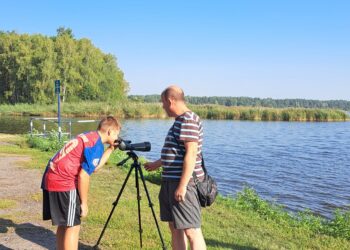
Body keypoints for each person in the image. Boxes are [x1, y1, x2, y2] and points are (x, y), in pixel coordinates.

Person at [41, 116, 121, 250]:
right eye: (117, 134)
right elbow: (84, 176)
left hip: (51, 177)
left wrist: (111, 149)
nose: (118, 137)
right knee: (73, 226)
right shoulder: (96, 145)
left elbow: (93, 167)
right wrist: (84, 203)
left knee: (64, 224)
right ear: (109, 132)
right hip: (64, 182)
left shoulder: (89, 136)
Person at [145, 85, 207, 250]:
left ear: (170, 100)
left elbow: (191, 153)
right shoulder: (179, 121)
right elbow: (176, 152)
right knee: (174, 227)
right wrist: (157, 164)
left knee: (191, 230)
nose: (163, 106)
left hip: (182, 183)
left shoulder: (188, 119)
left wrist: (182, 186)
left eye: (163, 102)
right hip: (170, 181)